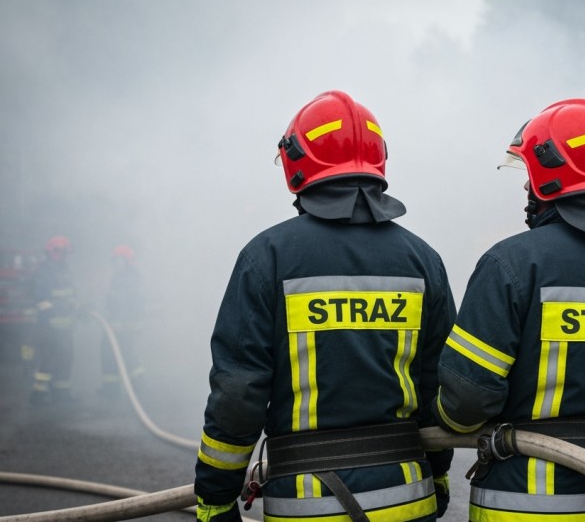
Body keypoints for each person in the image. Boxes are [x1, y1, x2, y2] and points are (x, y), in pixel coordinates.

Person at [194, 90, 457, 522]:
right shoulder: (422, 260)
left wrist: (216, 496)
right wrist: (439, 474)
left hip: (308, 505)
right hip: (410, 497)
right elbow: (439, 384)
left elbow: (238, 395)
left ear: (297, 163)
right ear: (378, 160)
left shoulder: (267, 258)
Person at [433, 98, 585, 522]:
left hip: (520, 504)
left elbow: (468, 397)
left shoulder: (509, 265)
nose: (526, 190)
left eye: (529, 176)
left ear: (549, 177)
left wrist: (451, 426)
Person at [29, 235, 81, 405]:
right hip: (49, 327)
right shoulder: (43, 271)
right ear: (50, 253)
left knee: (66, 359)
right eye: (58, 253)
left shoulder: (65, 270)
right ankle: (39, 394)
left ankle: (61, 393)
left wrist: (79, 306)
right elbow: (39, 299)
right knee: (48, 360)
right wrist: (56, 309)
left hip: (65, 327)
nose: (62, 256)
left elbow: (71, 294)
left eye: (65, 253)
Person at [99, 244, 146, 399]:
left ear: (128, 262)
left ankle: (137, 388)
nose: (117, 264)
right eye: (115, 261)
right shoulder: (118, 278)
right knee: (110, 355)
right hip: (115, 326)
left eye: (120, 261)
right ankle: (111, 389)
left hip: (124, 327)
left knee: (127, 356)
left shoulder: (131, 279)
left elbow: (133, 305)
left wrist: (123, 323)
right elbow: (112, 303)